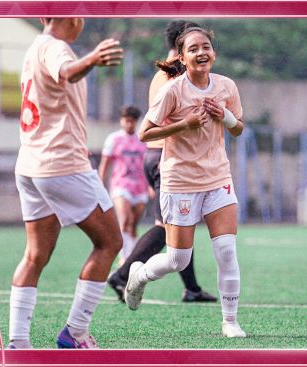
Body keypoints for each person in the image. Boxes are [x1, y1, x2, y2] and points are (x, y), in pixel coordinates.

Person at [8, 17, 124, 349]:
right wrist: (93, 58)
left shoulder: (33, 48)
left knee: (35, 255)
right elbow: (68, 72)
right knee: (110, 243)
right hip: (62, 165)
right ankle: (75, 333)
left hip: (30, 165)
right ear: (71, 17)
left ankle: (18, 343)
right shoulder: (56, 48)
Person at [125, 26, 247, 338]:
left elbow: (238, 129)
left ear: (214, 53)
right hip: (180, 181)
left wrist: (225, 116)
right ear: (183, 57)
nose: (201, 52)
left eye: (206, 46)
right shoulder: (173, 90)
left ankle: (230, 322)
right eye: (193, 48)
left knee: (227, 251)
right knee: (179, 260)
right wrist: (184, 124)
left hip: (217, 177)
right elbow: (144, 133)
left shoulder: (226, 86)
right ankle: (139, 275)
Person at [107, 20, 216, 303]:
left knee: (179, 224)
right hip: (166, 155)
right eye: (194, 43)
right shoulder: (176, 72)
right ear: (182, 44)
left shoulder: (162, 72)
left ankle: (191, 288)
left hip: (157, 156)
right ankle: (121, 276)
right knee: (165, 226)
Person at [99, 105, 148, 263]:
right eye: (126, 121)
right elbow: (105, 163)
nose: (129, 124)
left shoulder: (143, 139)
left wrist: (151, 185)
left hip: (140, 186)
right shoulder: (114, 139)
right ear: (121, 120)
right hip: (121, 185)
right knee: (125, 219)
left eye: (132, 121)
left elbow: (147, 163)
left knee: (134, 223)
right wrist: (100, 184)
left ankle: (132, 255)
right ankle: (124, 257)